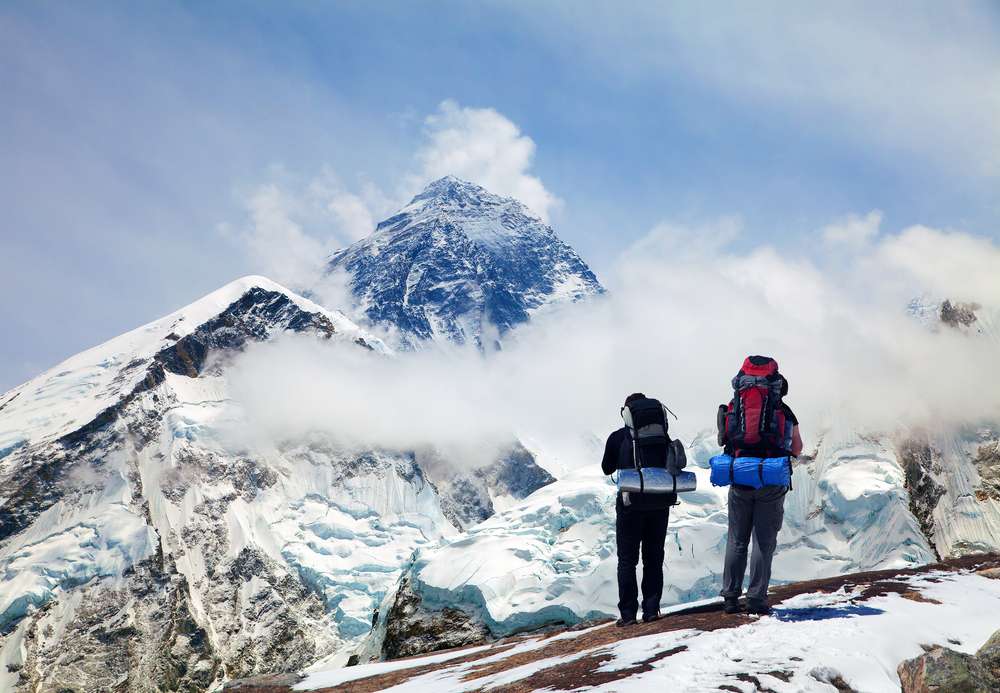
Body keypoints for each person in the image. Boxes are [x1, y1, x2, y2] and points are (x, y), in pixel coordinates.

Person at [716, 356, 802, 616]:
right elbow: (797, 448)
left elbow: (724, 439)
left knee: (736, 539)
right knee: (763, 542)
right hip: (771, 480)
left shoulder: (734, 407)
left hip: (740, 477)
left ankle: (730, 598)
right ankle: (755, 599)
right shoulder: (783, 411)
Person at [601, 392, 675, 626]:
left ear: (627, 413)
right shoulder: (662, 436)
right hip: (659, 503)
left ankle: (628, 615)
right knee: (654, 557)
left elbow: (606, 468)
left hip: (630, 504)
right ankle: (651, 610)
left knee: (627, 560)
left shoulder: (618, 437)